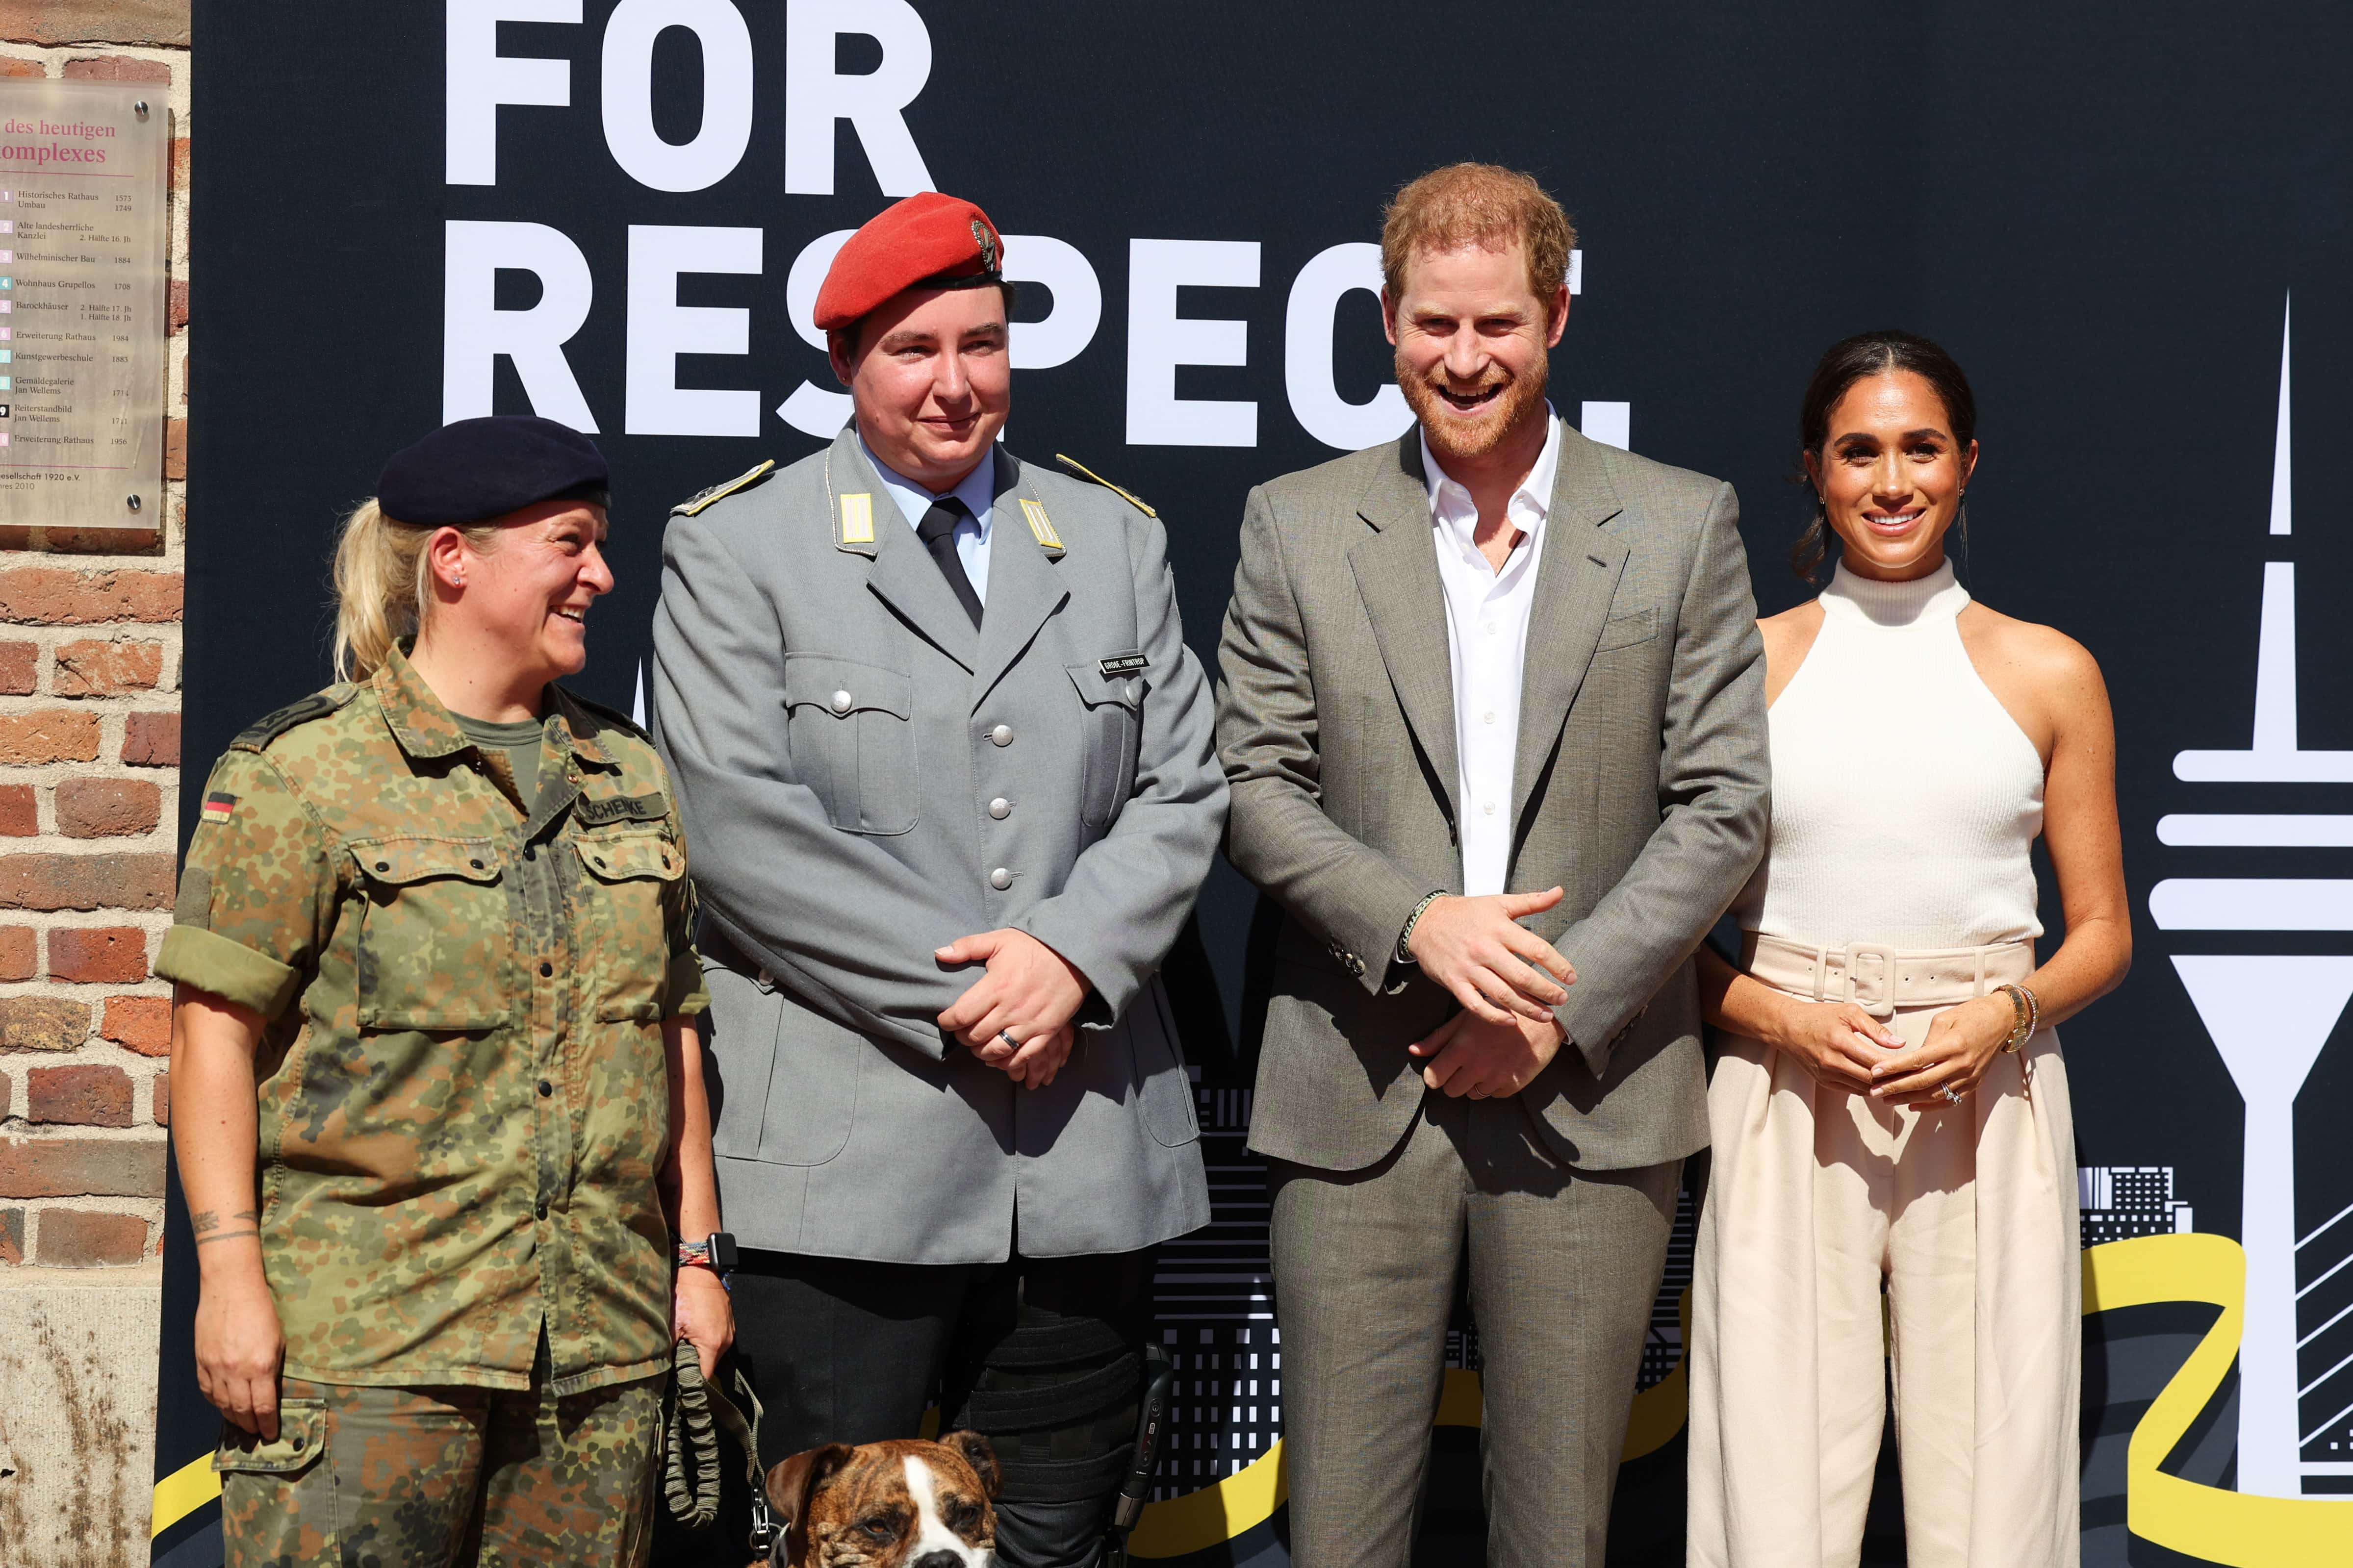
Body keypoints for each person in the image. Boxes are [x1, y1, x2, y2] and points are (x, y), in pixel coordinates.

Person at [650, 192, 1226, 1568]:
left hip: (1082, 1160)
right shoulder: (740, 549)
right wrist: (975, 989)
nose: (955, 382)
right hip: (849, 1177)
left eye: (981, 341)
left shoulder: (1107, 540)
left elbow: (1185, 783)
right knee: (830, 1553)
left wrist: (1070, 962)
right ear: (847, 361)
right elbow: (736, 830)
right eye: (913, 348)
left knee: (1051, 1543)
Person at [1215, 163, 1770, 1568]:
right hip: (1355, 1095)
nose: (1463, 360)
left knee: (1556, 1532)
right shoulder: (1293, 522)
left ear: (1556, 321)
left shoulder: (1677, 521)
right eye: (1432, 325)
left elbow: (1720, 803)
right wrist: (1418, 925)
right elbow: (1247, 782)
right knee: (1334, 1533)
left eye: (1498, 326)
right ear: (1386, 322)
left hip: (1585, 1096)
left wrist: (1545, 998)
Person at [160, 415, 732, 1567]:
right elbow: (209, 1036)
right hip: (372, 1353)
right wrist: (229, 1280)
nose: (601, 576)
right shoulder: (302, 777)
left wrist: (700, 1259)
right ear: (453, 560)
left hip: (598, 1356)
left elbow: (672, 1027)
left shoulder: (628, 775)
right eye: (570, 544)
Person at [1685, 331, 2126, 1567]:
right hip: (1781, 1084)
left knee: (1998, 1489)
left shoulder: (2048, 671)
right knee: (1766, 1494)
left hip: (1986, 1090)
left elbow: (2100, 934)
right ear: (1814, 474)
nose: (1891, 482)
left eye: (1919, 449)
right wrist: (1778, 1019)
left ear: (1966, 463)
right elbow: (1665, 933)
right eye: (1858, 451)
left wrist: (2001, 1018)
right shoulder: (1740, 667)